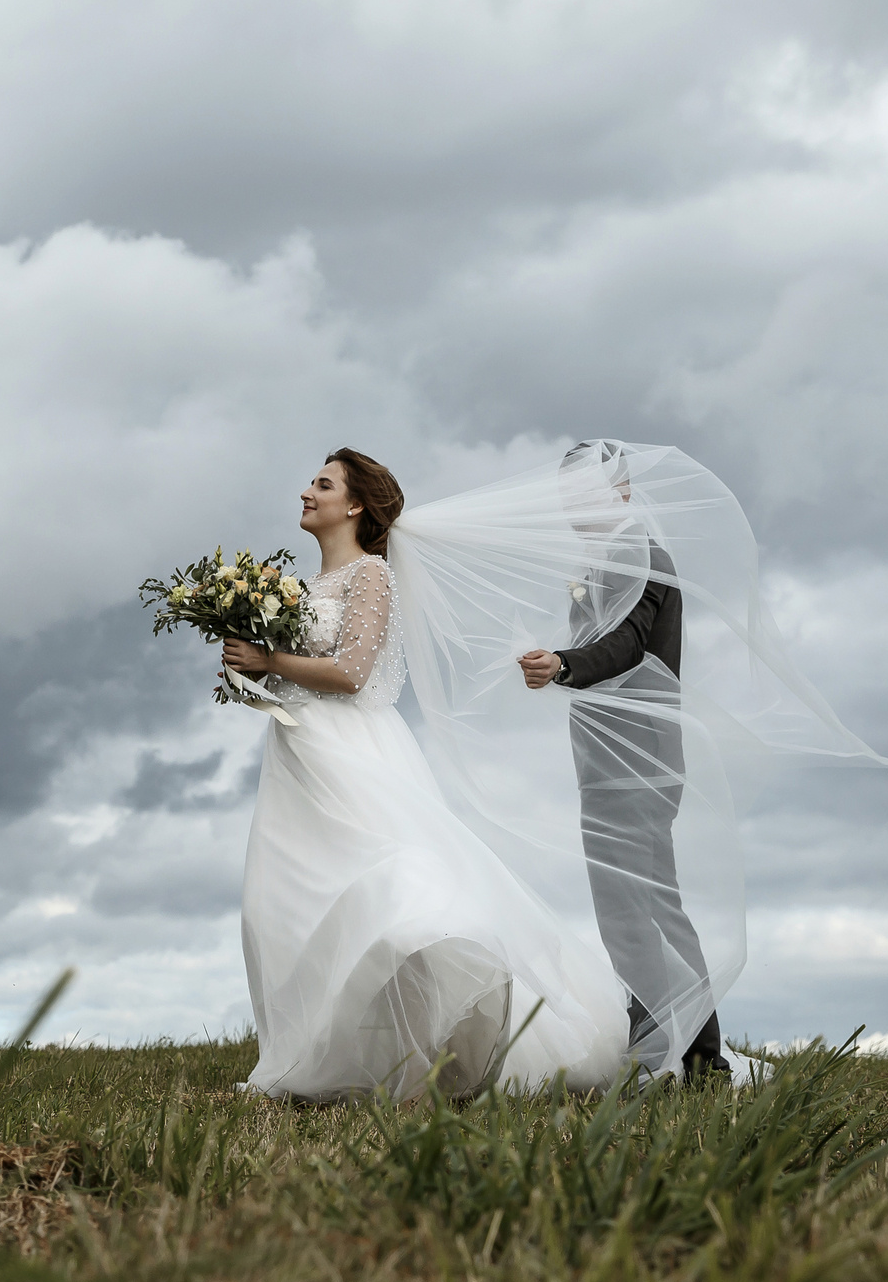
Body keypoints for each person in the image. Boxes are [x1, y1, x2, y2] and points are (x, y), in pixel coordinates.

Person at [219, 449, 627, 1100]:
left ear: (354, 505)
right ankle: (320, 1054)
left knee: (390, 891)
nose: (306, 491)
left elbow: (352, 671)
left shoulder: (370, 577)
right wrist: (246, 667)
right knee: (286, 903)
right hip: (297, 756)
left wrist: (270, 658)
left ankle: (449, 1042)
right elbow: (276, 681)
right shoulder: (297, 591)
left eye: (322, 484)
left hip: (354, 752)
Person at [516, 441, 729, 1084]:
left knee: (650, 905)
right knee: (620, 908)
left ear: (625, 492)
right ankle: (656, 1044)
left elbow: (630, 646)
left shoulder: (647, 559)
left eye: (589, 494)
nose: (576, 509)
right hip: (603, 756)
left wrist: (565, 664)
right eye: (569, 499)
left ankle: (700, 1059)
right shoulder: (599, 563)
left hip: (642, 757)